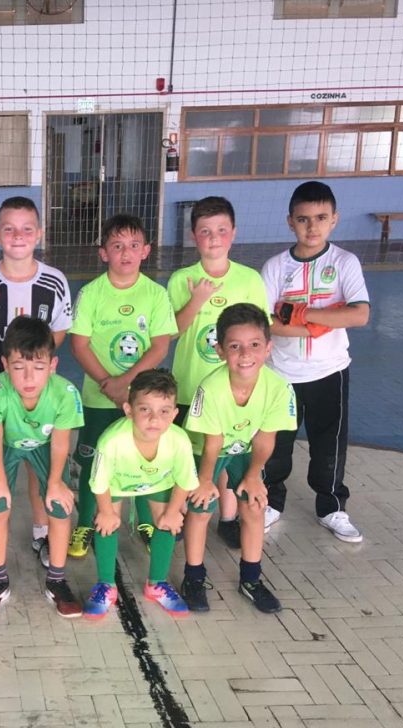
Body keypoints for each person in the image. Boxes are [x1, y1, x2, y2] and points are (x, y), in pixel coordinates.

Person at [0, 197, 73, 572]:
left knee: (37, 464)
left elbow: (59, 333)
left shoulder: (54, 281)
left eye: (27, 229)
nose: (18, 235)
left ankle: (42, 531)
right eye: (9, 229)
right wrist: (2, 372)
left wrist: (33, 372)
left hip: (39, 396)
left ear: (39, 233)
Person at [261, 181, 371, 544]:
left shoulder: (344, 262)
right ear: (290, 221)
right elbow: (267, 322)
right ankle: (270, 502)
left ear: (334, 219)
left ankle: (331, 507)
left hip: (330, 371)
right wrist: (323, 322)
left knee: (330, 444)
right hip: (281, 373)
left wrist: (304, 315)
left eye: (321, 218)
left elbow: (359, 314)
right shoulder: (276, 267)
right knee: (277, 443)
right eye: (303, 219)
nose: (312, 227)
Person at [69, 213, 177, 559]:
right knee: (94, 462)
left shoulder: (155, 294)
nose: (125, 253)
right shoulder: (91, 293)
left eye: (133, 245)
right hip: (98, 397)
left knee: (144, 458)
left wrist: (125, 385)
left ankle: (144, 521)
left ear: (146, 250)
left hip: (144, 400)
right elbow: (80, 345)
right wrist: (107, 384)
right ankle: (86, 522)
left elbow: (160, 346)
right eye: (117, 246)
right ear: (104, 253)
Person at [180, 303, 297, 615]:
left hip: (243, 448)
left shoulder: (279, 388)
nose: (245, 354)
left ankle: (251, 579)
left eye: (254, 345)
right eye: (235, 346)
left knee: (254, 506)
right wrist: (205, 481)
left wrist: (254, 475)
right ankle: (193, 577)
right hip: (205, 450)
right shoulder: (211, 388)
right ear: (220, 351)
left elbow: (265, 437)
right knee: (201, 508)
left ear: (268, 348)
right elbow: (213, 442)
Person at [167, 197, 269, 549]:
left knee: (228, 452)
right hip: (190, 387)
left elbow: (260, 334)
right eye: (206, 231)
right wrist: (196, 300)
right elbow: (171, 332)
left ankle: (227, 518)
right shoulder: (181, 279)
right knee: (190, 456)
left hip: (234, 391)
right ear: (194, 235)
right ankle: (183, 513)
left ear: (234, 233)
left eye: (221, 230)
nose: (214, 238)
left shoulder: (249, 280)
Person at [0, 316, 84, 620]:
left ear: (53, 365)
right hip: (6, 445)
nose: (29, 377)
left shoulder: (65, 393)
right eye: (19, 367)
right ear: (6, 365)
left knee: (59, 505)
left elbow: (60, 443)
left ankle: (57, 580)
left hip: (45, 445)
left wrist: (56, 483)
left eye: (39, 367)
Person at [84, 370, 199, 619]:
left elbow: (185, 480)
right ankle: (106, 585)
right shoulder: (111, 440)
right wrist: (106, 512)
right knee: (106, 523)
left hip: (159, 481)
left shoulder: (179, 440)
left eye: (164, 411)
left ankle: (156, 583)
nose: (154, 419)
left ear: (174, 414)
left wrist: (173, 512)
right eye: (145, 409)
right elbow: (99, 482)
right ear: (129, 410)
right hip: (116, 483)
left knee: (168, 522)